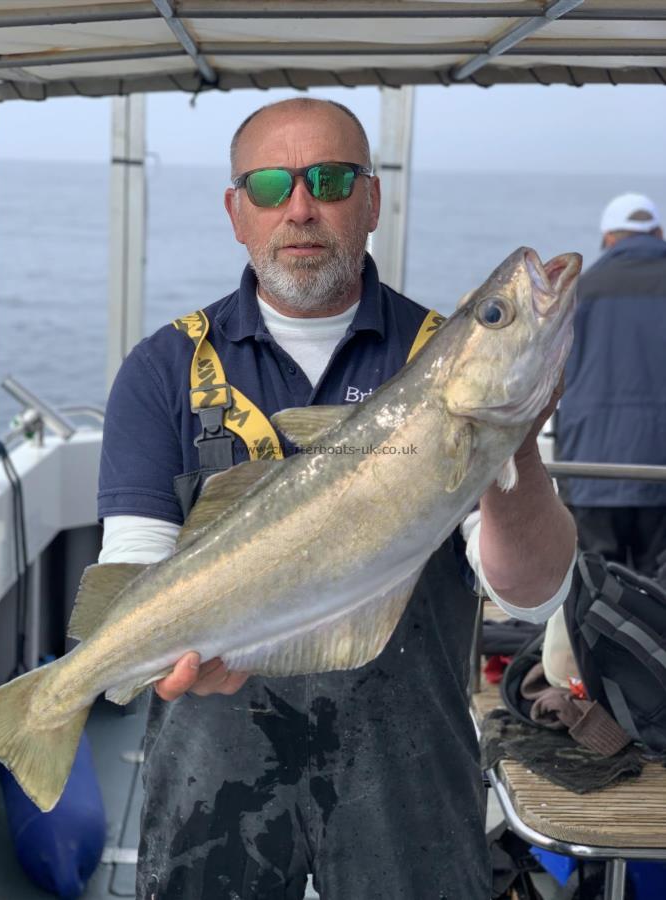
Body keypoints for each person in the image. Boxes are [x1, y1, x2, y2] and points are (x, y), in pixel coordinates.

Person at [98, 98, 577, 900]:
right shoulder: (164, 368)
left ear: (371, 200)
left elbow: (528, 594)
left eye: (327, 178)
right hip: (213, 761)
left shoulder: (434, 356)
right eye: (269, 185)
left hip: (408, 754)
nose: (299, 206)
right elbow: (136, 562)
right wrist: (155, 665)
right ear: (235, 211)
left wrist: (517, 442)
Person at [556, 192, 666, 582]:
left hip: (592, 466)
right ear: (659, 232)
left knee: (601, 595)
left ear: (609, 239)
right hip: (661, 469)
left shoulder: (577, 292)